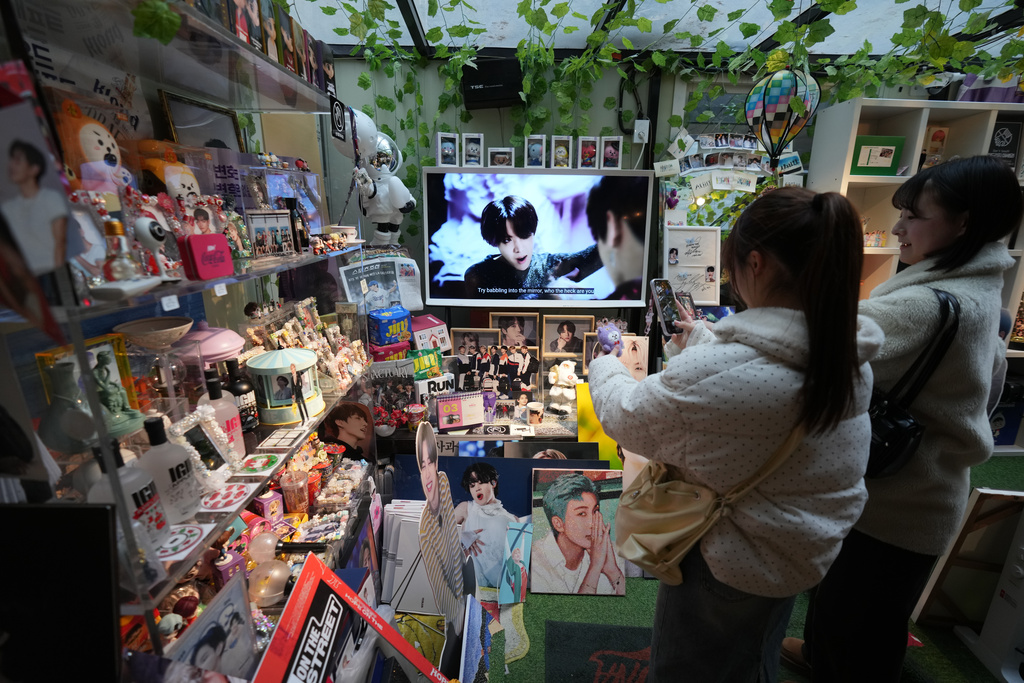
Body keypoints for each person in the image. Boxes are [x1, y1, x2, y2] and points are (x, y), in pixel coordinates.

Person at [587, 186, 881, 682]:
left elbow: (626, 416)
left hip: (729, 560)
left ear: (758, 264)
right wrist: (701, 337)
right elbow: (759, 369)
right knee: (751, 658)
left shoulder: (727, 374)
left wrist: (604, 366)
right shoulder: (843, 348)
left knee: (692, 668)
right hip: (795, 550)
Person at [781, 156, 1024, 683]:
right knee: (856, 613)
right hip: (924, 491)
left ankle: (833, 663)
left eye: (914, 216)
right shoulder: (983, 290)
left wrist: (715, 335)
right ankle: (822, 654)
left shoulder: (925, 307)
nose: (896, 227)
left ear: (964, 223)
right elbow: (993, 386)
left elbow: (798, 351)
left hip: (895, 503)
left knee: (859, 629)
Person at [462, 195, 599, 299]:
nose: (519, 248)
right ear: (494, 240)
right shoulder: (478, 275)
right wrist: (547, 295)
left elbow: (590, 256)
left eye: (524, 236)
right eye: (507, 240)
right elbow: (488, 320)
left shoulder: (546, 264)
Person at [531, 472, 625, 595]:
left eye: (595, 510)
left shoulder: (608, 551)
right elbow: (574, 611)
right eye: (582, 514)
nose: (592, 523)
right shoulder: (536, 563)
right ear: (558, 524)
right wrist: (595, 567)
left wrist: (612, 570)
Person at [416, 425, 465, 636]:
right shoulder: (424, 528)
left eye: (430, 463)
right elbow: (439, 588)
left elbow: (453, 540)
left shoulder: (443, 482)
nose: (428, 474)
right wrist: (458, 611)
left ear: (436, 463)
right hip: (452, 615)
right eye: (422, 466)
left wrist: (464, 593)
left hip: (464, 591)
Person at [2, 140, 69, 275]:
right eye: (11, 160)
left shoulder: (51, 198)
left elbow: (60, 242)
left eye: (18, 160)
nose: (11, 166)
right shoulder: (7, 208)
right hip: (29, 278)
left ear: (34, 169)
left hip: (54, 272)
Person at [453, 462, 518, 590]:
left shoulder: (512, 519)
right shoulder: (466, 509)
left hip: (502, 589)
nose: (477, 488)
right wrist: (462, 536)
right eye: (472, 485)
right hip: (470, 585)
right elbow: (439, 532)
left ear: (493, 483)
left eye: (481, 482)